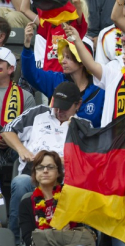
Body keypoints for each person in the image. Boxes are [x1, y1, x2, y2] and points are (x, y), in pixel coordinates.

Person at [1, 81, 91, 244]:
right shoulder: (38, 113)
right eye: (57, 105)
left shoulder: (84, 126)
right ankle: (14, 240)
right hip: (32, 175)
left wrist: (63, 161)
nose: (59, 110)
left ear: (78, 104)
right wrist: (21, 149)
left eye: (65, 107)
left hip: (65, 181)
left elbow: (89, 161)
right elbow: (8, 130)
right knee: (20, 183)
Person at [21, 23, 104, 128]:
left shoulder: (100, 89)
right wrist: (27, 46)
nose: (62, 61)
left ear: (82, 62)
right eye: (63, 56)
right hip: (57, 142)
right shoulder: (56, 80)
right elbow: (31, 74)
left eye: (68, 58)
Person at [18, 150, 93, 246]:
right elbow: (30, 239)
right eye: (40, 167)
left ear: (58, 172)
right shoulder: (26, 204)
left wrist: (45, 235)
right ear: (35, 173)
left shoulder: (71, 196)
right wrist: (58, 233)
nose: (45, 170)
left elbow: (79, 234)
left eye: (50, 167)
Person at [21, 0, 87, 73]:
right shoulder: (48, 24)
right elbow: (24, 9)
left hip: (67, 77)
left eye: (54, 4)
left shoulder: (76, 26)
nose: (51, 7)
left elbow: (76, 1)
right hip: (49, 77)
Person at [0, 47, 35, 166]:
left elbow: (30, 130)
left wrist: (10, 138)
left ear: (11, 69)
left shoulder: (26, 97)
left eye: (0, 62)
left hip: (15, 150)